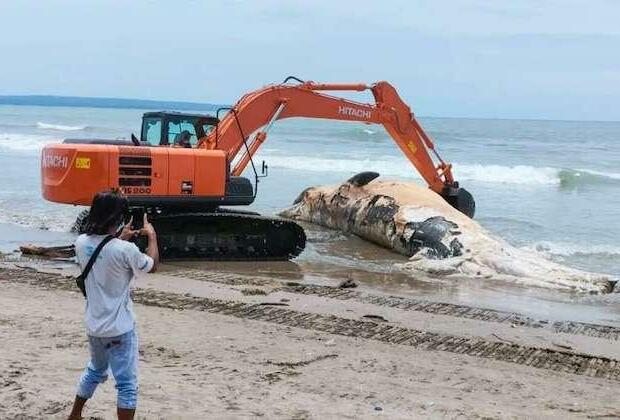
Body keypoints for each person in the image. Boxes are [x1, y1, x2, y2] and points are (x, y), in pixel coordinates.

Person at [68, 191, 159, 420]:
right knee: (127, 384)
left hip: (94, 326)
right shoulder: (124, 250)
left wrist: (120, 237)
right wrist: (152, 237)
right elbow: (152, 265)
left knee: (95, 370)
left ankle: (75, 415)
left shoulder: (81, 243)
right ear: (117, 218)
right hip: (119, 328)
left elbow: (104, 256)